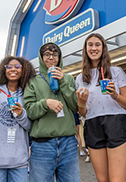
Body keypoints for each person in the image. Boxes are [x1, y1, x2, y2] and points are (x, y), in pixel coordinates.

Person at [76, 33, 126, 182]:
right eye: (90, 45)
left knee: (117, 180)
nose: (93, 48)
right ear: (85, 49)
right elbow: (83, 112)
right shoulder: (80, 78)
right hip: (93, 125)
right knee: (103, 180)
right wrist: (81, 103)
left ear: (103, 49)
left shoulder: (116, 71)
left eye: (97, 44)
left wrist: (115, 95)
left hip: (116, 123)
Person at [23, 42, 80, 182]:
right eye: (47, 54)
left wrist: (63, 83)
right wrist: (45, 103)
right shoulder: (33, 81)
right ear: (41, 57)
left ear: (59, 58)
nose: (51, 58)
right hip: (42, 145)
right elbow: (30, 111)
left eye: (55, 54)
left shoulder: (68, 78)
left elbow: (75, 106)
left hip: (68, 143)